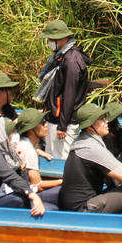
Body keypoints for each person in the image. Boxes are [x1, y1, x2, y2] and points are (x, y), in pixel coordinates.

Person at [36, 20, 91, 159]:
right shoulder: (61, 56)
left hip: (62, 121)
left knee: (60, 159)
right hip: (55, 117)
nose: (48, 42)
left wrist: (62, 125)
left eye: (50, 39)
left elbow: (70, 93)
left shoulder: (72, 59)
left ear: (61, 39)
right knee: (51, 155)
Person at [7, 107, 63, 208]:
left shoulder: (22, 144)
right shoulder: (29, 150)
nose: (46, 125)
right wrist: (61, 181)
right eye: (42, 123)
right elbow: (37, 185)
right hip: (25, 195)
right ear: (31, 130)